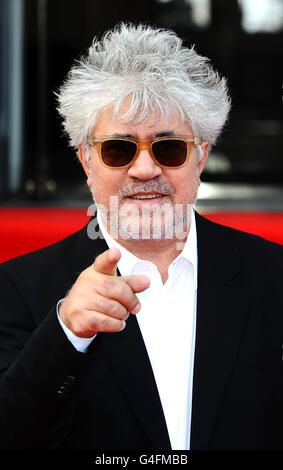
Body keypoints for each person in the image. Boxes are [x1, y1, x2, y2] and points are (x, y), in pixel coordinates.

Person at [0, 23, 282, 451]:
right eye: (119, 148)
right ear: (85, 160)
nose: (145, 170)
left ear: (201, 155)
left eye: (169, 148)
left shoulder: (274, 275)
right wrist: (66, 334)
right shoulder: (17, 288)